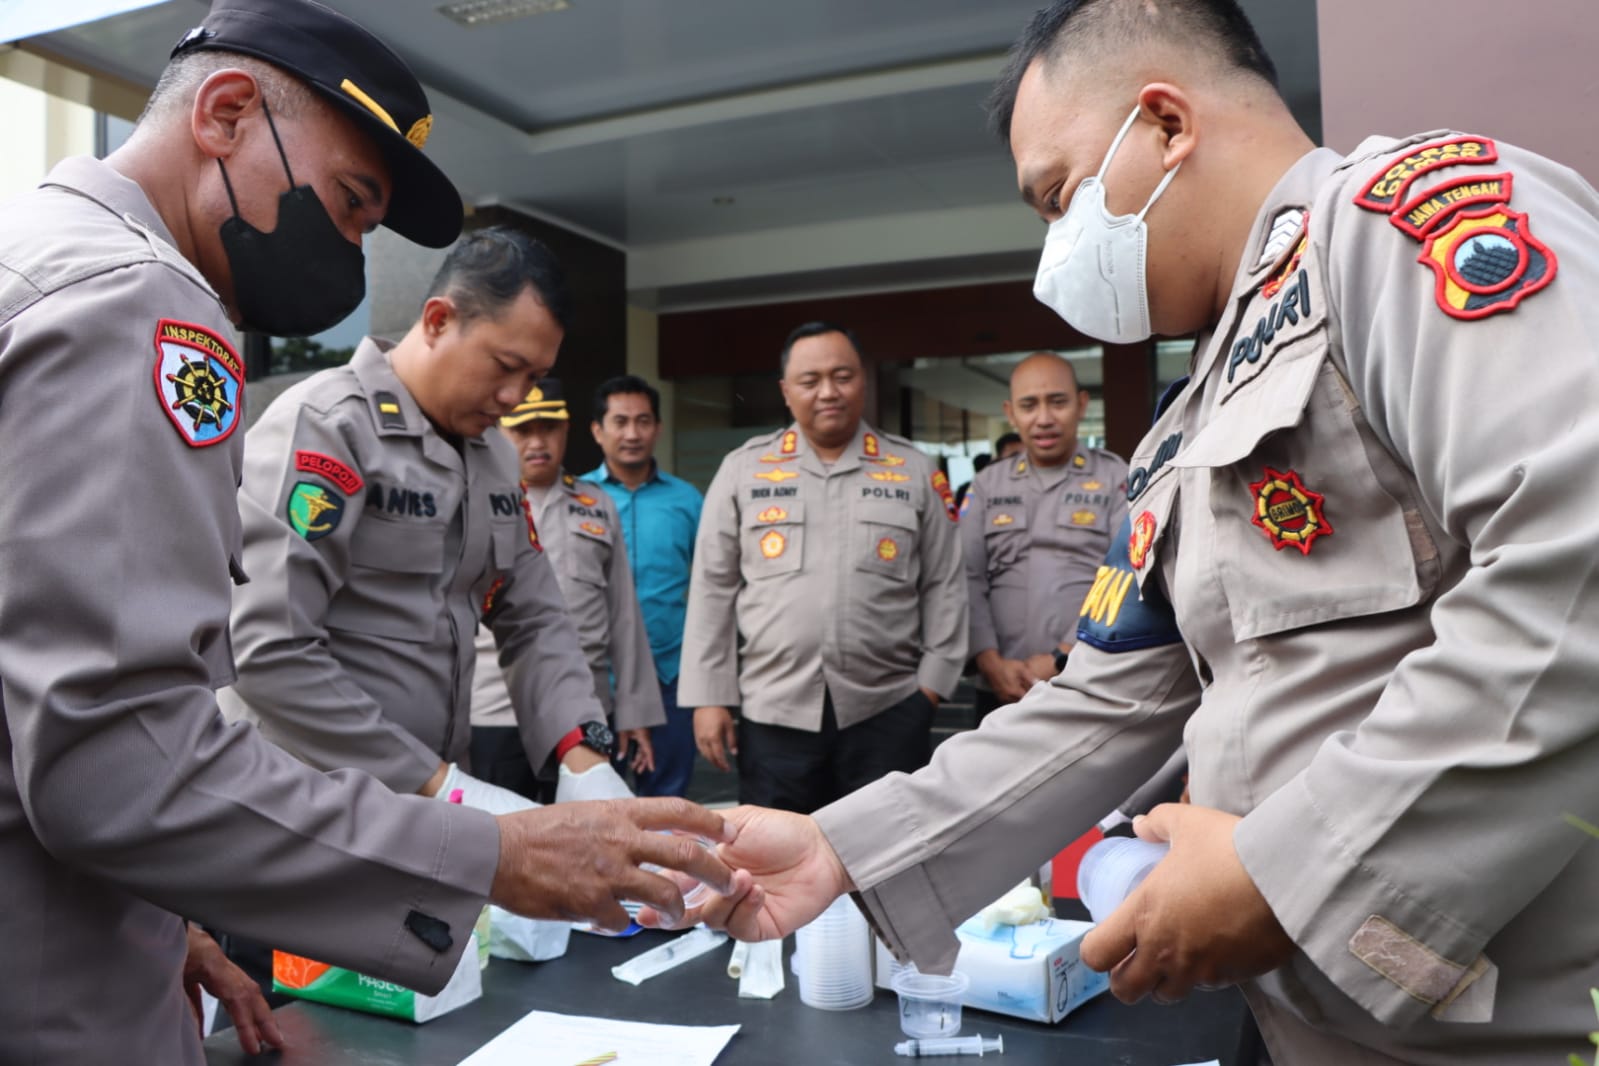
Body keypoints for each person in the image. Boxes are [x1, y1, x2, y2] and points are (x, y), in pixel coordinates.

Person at [680, 2, 1599, 1063]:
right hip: (1297, 1013)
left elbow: (1575, 553)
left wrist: (1287, 869)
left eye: (1060, 198)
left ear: (1166, 123)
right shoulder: (1182, 428)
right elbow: (1112, 697)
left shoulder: (1394, 236)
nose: (1055, 256)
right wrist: (840, 848)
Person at [0, 4, 741, 1062]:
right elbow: (122, 752)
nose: (347, 257)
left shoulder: (38, 254)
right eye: (349, 207)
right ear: (224, 112)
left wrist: (576, 750)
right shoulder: (143, 308)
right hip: (102, 943)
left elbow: (529, 609)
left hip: (150, 890)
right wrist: (474, 842)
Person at [222, 228, 635, 814]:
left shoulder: (492, 455)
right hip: (302, 805)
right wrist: (439, 783)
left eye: (535, 377)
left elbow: (534, 615)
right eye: (505, 366)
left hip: (422, 809)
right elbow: (265, 650)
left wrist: (581, 752)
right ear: (439, 321)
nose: (516, 397)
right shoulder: (328, 427)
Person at [680, 322, 968, 813]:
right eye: (810, 381)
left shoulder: (913, 470)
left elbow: (945, 583)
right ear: (786, 392)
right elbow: (712, 588)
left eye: (843, 376)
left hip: (889, 709)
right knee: (776, 868)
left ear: (864, 381)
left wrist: (930, 690)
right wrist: (709, 699)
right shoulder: (743, 469)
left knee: (885, 864)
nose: (828, 392)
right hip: (774, 713)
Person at [470, 378, 664, 798]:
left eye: (549, 428)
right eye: (523, 430)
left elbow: (624, 617)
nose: (537, 442)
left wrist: (635, 712)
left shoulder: (596, 503)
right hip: (494, 710)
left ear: (567, 430)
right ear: (500, 430)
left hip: (584, 710)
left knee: (589, 845)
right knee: (502, 847)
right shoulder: (474, 500)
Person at [964, 352, 1128, 717]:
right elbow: (967, 577)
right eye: (1029, 405)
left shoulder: (1115, 477)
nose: (1044, 418)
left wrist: (1061, 657)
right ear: (1010, 413)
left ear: (1081, 404)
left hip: (1085, 679)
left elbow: (1122, 576)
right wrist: (989, 661)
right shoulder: (988, 484)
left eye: (1058, 402)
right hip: (998, 684)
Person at [585, 375, 704, 797]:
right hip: (596, 681)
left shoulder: (688, 501)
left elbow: (712, 584)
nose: (632, 433)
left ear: (657, 427)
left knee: (668, 804)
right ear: (598, 430)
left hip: (670, 675)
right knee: (598, 806)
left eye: (643, 421)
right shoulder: (576, 499)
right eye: (620, 422)